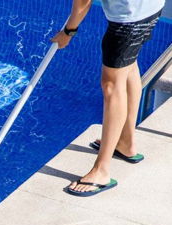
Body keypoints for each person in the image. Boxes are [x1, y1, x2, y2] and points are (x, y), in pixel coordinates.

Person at [51, 0, 165, 196]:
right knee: (128, 67)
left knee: (111, 85)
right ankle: (126, 143)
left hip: (128, 20)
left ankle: (101, 171)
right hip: (149, 8)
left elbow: (83, 2)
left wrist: (69, 31)